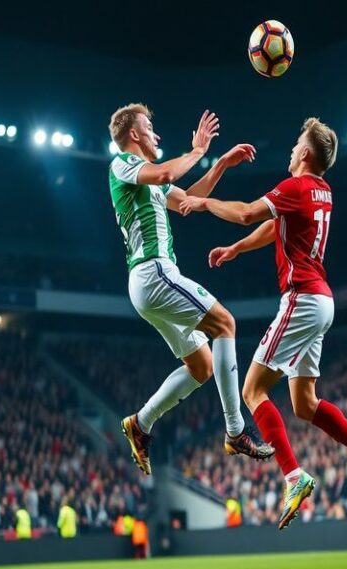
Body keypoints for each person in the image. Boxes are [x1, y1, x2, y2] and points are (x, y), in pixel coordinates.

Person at [180, 117, 347, 530]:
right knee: (304, 404)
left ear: (306, 154)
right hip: (322, 301)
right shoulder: (323, 191)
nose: (292, 149)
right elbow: (275, 226)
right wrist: (237, 250)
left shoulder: (294, 187)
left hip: (302, 299)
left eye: (297, 143)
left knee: (252, 389)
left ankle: (293, 477)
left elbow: (245, 213)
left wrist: (204, 203)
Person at [107, 103, 274, 474]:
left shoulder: (145, 180)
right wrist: (198, 151)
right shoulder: (123, 164)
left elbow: (187, 202)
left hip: (149, 282)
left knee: (202, 365)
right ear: (133, 135)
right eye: (149, 127)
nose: (156, 134)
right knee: (225, 324)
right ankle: (235, 430)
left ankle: (140, 423)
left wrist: (219, 165)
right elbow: (167, 170)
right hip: (154, 272)